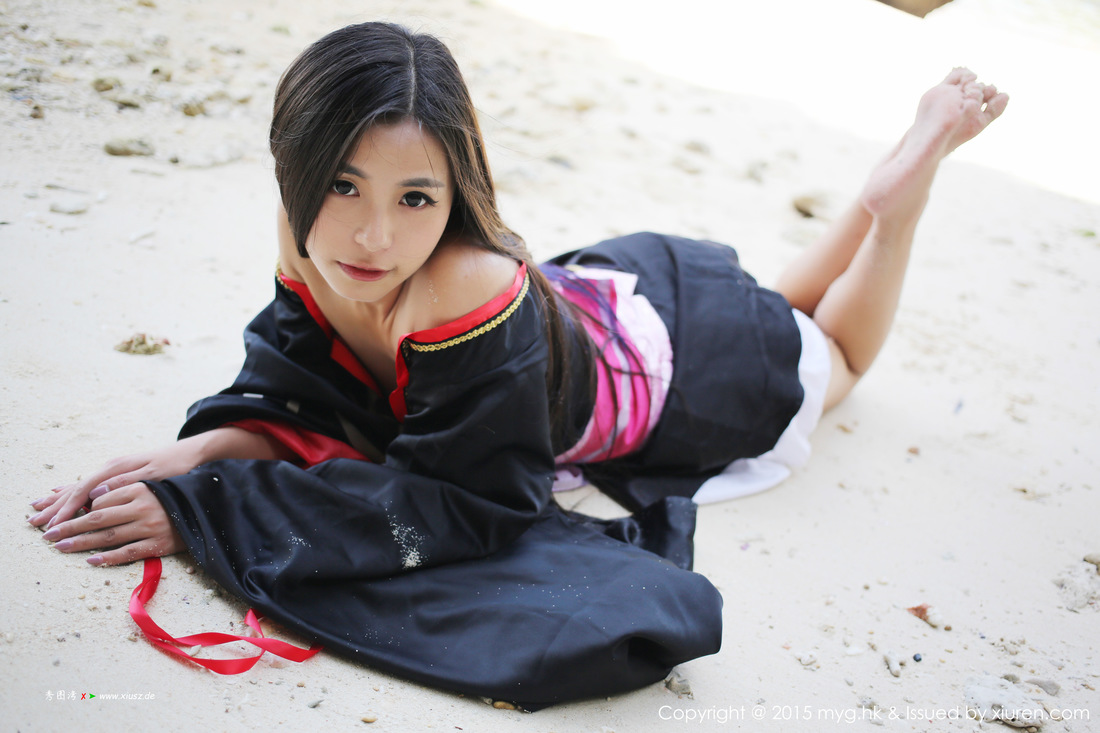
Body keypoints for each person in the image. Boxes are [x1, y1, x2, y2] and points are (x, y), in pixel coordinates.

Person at [27, 23, 1007, 706]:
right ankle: (874, 197)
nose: (372, 236)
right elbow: (306, 387)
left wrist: (218, 506)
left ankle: (896, 209)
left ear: (456, 193)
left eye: (416, 198)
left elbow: (461, 503)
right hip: (612, 297)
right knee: (784, 313)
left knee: (831, 355)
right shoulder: (301, 229)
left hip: (678, 368)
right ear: (295, 163)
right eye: (342, 185)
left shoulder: (464, 286)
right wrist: (203, 451)